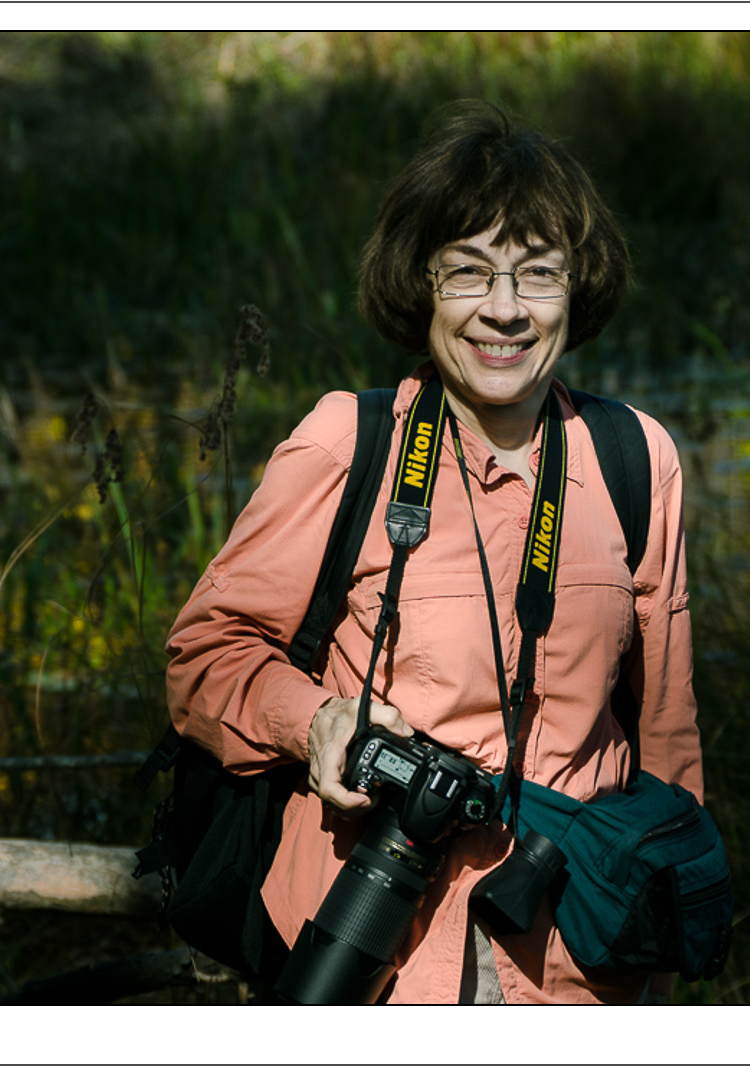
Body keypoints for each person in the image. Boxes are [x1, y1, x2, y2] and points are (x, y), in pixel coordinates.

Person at [164, 101, 703, 1004]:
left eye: (537, 276)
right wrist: (319, 721)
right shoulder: (349, 440)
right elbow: (205, 657)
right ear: (423, 284)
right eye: (470, 273)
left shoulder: (636, 458)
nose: (504, 310)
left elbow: (668, 734)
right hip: (376, 950)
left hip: (580, 967)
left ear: (578, 289)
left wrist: (671, 897)